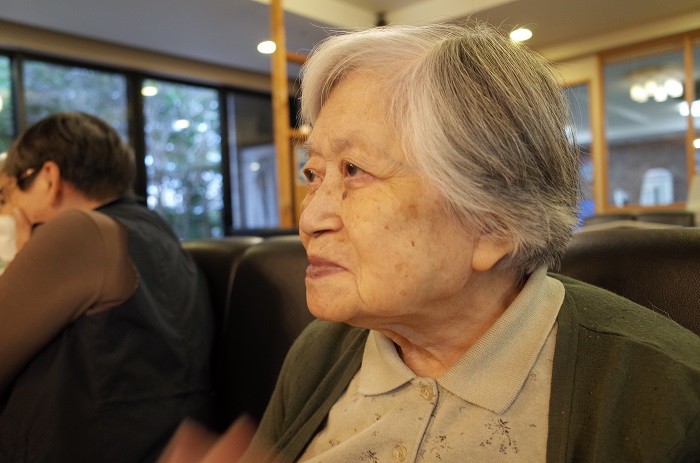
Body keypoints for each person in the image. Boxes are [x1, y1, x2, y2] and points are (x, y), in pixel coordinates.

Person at [160, 21, 700, 462]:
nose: (311, 218)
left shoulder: (663, 397)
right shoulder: (322, 350)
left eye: (354, 170)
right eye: (313, 173)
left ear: (494, 224)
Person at [0, 112, 214, 462]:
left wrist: (20, 255)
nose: (9, 210)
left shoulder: (78, 232)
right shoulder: (157, 233)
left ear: (50, 178)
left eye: (8, 194)